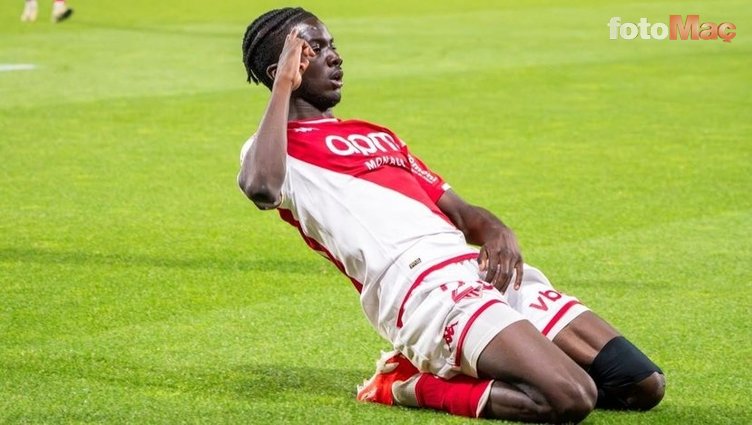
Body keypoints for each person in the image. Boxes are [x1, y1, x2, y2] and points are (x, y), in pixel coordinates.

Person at [237, 7, 665, 423]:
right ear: (285, 68)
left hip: (477, 270)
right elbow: (261, 188)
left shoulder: (376, 135)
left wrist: (498, 231)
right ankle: (405, 385)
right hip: (422, 290)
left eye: (332, 44)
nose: (335, 56)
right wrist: (283, 87)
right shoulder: (272, 151)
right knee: (571, 397)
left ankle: (495, 358)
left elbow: (460, 211)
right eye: (315, 48)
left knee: (642, 384)